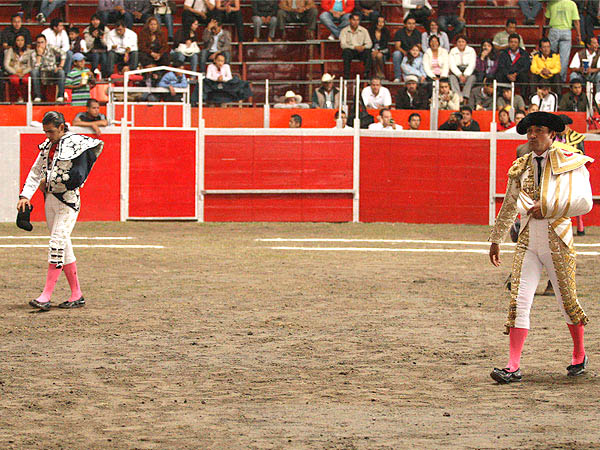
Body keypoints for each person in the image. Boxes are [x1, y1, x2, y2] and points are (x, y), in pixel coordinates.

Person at [488, 111, 593, 384]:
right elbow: (510, 204)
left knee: (567, 301)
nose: (533, 135)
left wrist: (546, 207)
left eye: (539, 130)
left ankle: (579, 354)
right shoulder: (520, 165)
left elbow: (585, 202)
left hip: (557, 238)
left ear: (552, 134)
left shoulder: (571, 161)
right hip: (527, 241)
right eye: (530, 130)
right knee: (519, 301)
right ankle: (513, 365)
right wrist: (497, 238)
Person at [18, 111, 104, 311]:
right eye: (45, 132)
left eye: (51, 131)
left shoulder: (77, 144)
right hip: (50, 200)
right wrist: (25, 196)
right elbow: (35, 172)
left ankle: (46, 295)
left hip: (68, 202)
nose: (47, 135)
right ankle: (77, 295)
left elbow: (78, 176)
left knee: (56, 242)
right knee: (64, 246)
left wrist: (51, 181)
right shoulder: (48, 146)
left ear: (62, 127)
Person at [546, 0, 582, 82]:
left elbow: (547, 18)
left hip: (554, 30)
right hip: (566, 31)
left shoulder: (551, 3)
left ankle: (550, 77)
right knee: (564, 58)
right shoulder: (572, 4)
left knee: (551, 55)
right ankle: (561, 79)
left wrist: (546, 31)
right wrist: (578, 35)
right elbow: (576, 21)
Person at [30, 33, 66, 102]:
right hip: (42, 73)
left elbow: (63, 53)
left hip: (53, 71)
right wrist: (39, 55)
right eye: (38, 43)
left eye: (42, 42)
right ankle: (37, 96)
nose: (40, 45)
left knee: (61, 72)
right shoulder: (34, 53)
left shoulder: (51, 47)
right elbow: (36, 67)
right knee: (34, 72)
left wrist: (60, 66)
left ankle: (60, 96)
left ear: (46, 42)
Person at [340, 12, 372, 79]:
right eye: (354, 20)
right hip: (350, 50)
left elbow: (369, 43)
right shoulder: (344, 31)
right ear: (349, 20)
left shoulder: (364, 30)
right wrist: (354, 47)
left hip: (360, 51)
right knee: (346, 52)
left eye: (357, 20)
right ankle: (346, 75)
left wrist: (363, 47)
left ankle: (367, 74)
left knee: (368, 52)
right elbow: (343, 45)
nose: (355, 22)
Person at [392, 16, 421, 82]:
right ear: (405, 24)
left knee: (421, 54)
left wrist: (413, 52)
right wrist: (405, 52)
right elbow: (397, 46)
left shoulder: (417, 33)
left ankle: (419, 75)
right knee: (396, 54)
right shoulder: (399, 33)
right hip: (403, 52)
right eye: (409, 23)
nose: (412, 25)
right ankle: (398, 77)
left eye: (413, 24)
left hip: (414, 51)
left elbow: (419, 46)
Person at [448, 35, 476, 104]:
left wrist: (465, 75)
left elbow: (472, 64)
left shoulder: (471, 50)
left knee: (472, 78)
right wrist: (459, 75)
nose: (461, 43)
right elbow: (452, 65)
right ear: (456, 43)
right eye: (459, 42)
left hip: (468, 71)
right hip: (456, 71)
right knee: (451, 78)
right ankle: (458, 97)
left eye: (463, 42)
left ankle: (465, 97)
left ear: (466, 43)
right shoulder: (453, 51)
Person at [4, 34, 32, 102]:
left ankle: (26, 98)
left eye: (22, 40)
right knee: (14, 80)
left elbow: (31, 65)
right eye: (18, 40)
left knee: (26, 80)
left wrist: (23, 72)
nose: (20, 42)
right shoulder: (10, 50)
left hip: (24, 72)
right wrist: (15, 72)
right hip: (14, 71)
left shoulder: (29, 51)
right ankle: (18, 97)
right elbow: (6, 65)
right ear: (15, 41)